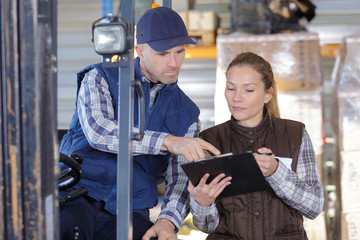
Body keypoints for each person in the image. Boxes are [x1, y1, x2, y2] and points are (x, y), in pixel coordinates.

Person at [59, 6, 220, 240]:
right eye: (163, 54)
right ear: (140, 51)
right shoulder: (99, 78)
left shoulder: (188, 114)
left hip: (132, 207)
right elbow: (99, 132)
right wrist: (168, 141)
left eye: (179, 52)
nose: (174, 63)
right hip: (79, 192)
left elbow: (180, 179)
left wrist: (167, 222)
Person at [188, 52, 324, 239]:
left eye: (248, 90)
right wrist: (202, 203)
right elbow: (207, 226)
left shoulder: (295, 134)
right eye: (231, 88)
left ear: (268, 94)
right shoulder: (209, 141)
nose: (236, 98)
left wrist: (277, 172)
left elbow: (314, 207)